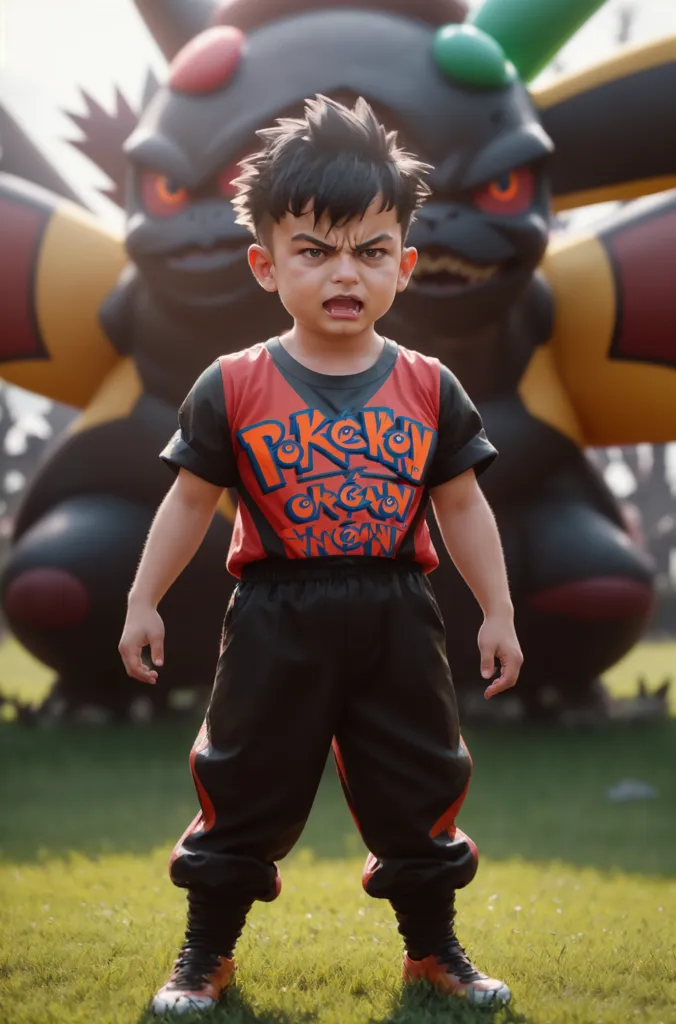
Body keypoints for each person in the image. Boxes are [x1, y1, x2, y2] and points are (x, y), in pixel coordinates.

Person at [119, 94, 523, 1016]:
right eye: (315, 249)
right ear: (266, 263)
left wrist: (497, 611)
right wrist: (143, 601)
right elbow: (187, 500)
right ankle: (202, 958)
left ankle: (436, 954)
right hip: (275, 616)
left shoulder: (430, 385)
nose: (346, 272)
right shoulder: (231, 384)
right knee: (244, 782)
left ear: (405, 265)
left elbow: (462, 504)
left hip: (396, 613)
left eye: (371, 251)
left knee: (421, 782)